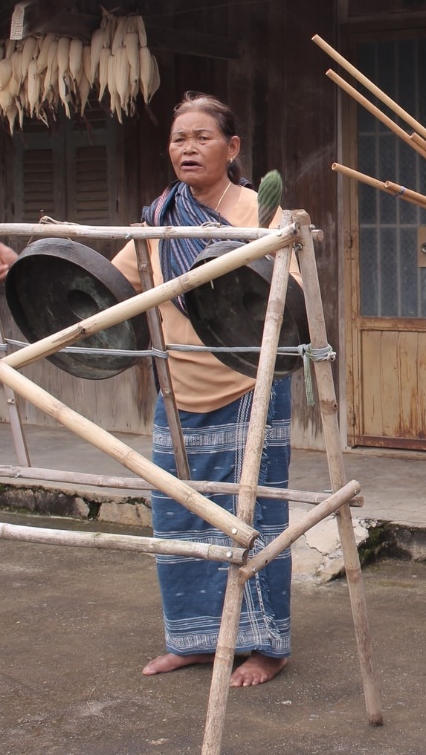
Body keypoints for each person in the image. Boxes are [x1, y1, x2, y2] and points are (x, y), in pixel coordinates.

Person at [110, 92, 293, 688]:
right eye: (178, 138)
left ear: (232, 147)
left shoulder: (262, 214)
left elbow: (285, 298)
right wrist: (23, 268)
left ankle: (265, 646)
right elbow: (112, 284)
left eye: (202, 137)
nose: (187, 147)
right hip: (177, 388)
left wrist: (261, 252)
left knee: (253, 517)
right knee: (179, 519)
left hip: (247, 387)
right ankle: (194, 640)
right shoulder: (158, 217)